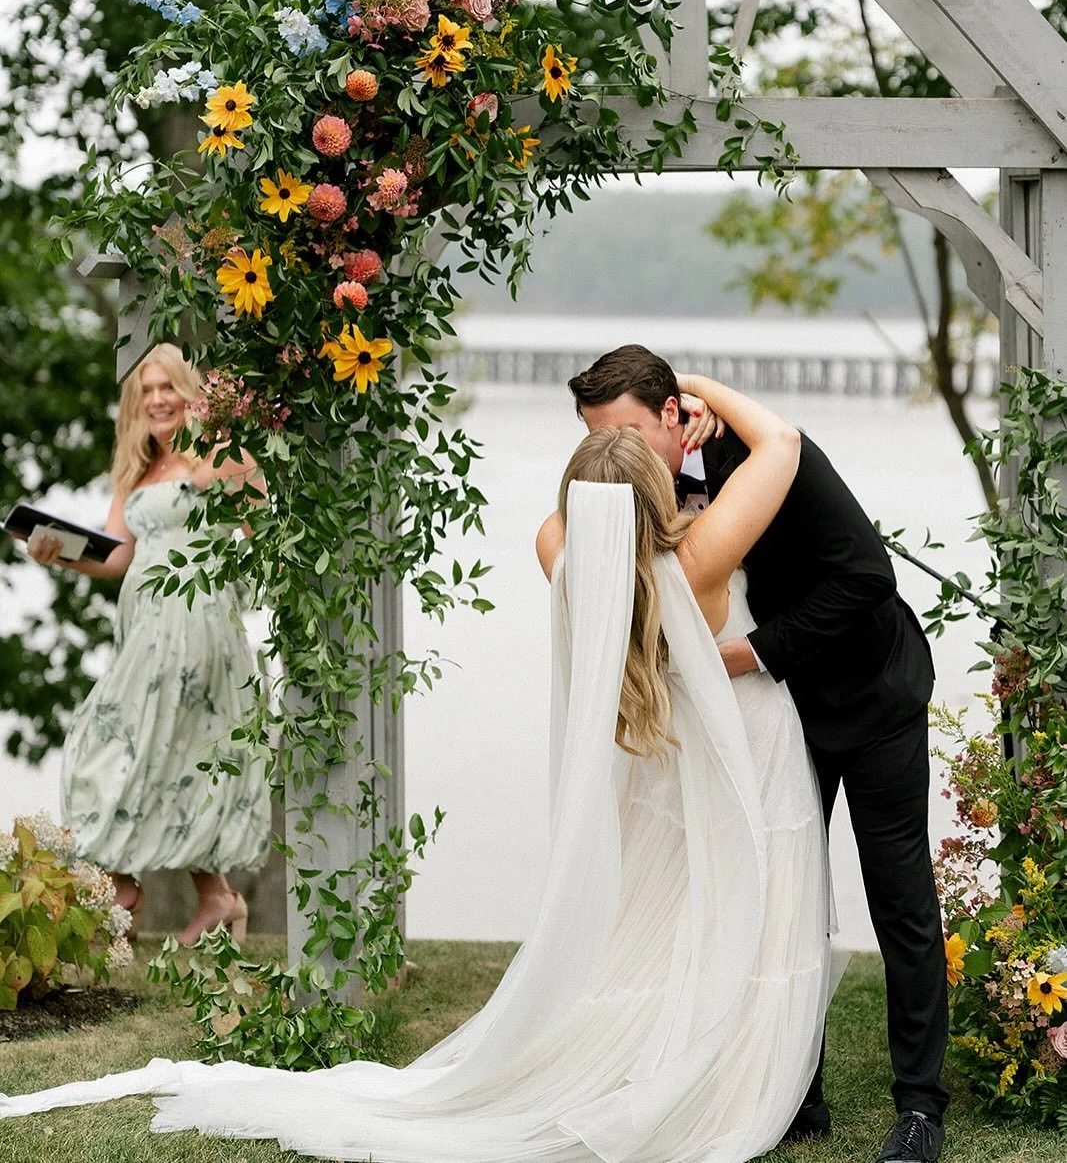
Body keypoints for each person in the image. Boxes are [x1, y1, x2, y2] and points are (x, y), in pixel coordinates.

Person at [2, 379, 833, 1163]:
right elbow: (781, 442)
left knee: (664, 929)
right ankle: (741, 1069)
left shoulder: (560, 552)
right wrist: (697, 395)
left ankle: (671, 1056)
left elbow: (579, 517)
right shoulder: (705, 556)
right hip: (737, 751)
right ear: (657, 492)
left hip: (654, 763)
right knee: (744, 912)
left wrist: (620, 472)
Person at [568, 344, 947, 1163]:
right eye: (604, 440)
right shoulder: (629, 491)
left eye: (630, 433)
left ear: (674, 415)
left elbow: (865, 579)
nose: (620, 457)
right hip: (780, 717)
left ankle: (919, 1108)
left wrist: (745, 656)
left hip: (871, 693)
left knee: (899, 900)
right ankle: (790, 1088)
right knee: (781, 900)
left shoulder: (763, 454)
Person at [22, 343, 272, 945]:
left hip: (196, 624)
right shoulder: (137, 468)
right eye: (147, 390)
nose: (157, 399)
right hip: (145, 630)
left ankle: (124, 883)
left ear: (189, 393)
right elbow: (116, 556)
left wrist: (232, 581)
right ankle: (214, 898)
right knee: (158, 751)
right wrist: (57, 555)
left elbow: (262, 526)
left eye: (168, 387)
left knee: (120, 742)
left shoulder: (218, 455)